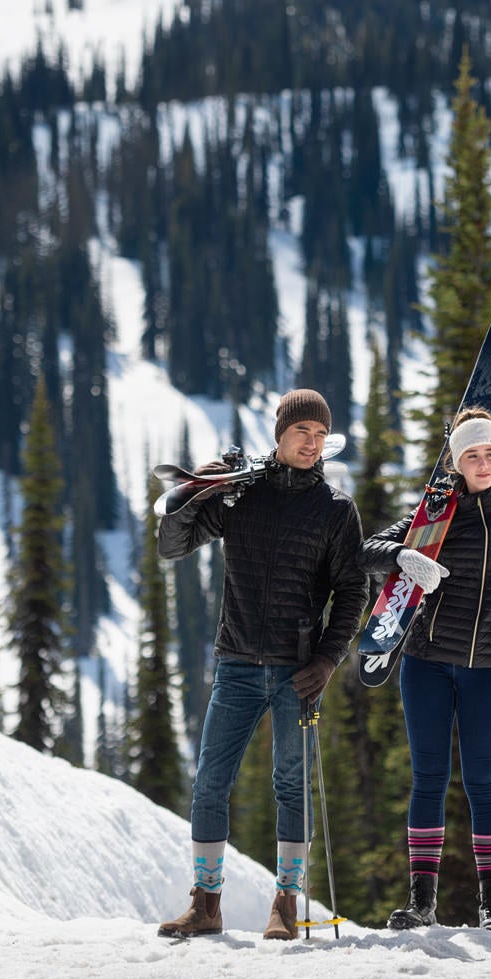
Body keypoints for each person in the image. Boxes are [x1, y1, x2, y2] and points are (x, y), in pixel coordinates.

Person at [155, 389, 367, 941]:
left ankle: (287, 906)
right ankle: (206, 905)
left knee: (291, 786)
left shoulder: (337, 510)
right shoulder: (241, 496)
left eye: (321, 435)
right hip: (237, 665)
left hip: (298, 671)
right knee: (210, 783)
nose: (312, 443)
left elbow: (352, 591)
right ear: (279, 434)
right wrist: (196, 491)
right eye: (302, 432)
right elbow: (172, 545)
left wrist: (327, 659)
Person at [361, 407, 491, 933]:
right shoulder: (435, 513)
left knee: (484, 783)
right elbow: (365, 550)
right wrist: (404, 556)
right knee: (429, 779)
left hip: (488, 666)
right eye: (472, 454)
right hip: (425, 662)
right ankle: (421, 902)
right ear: (457, 462)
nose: (484, 462)